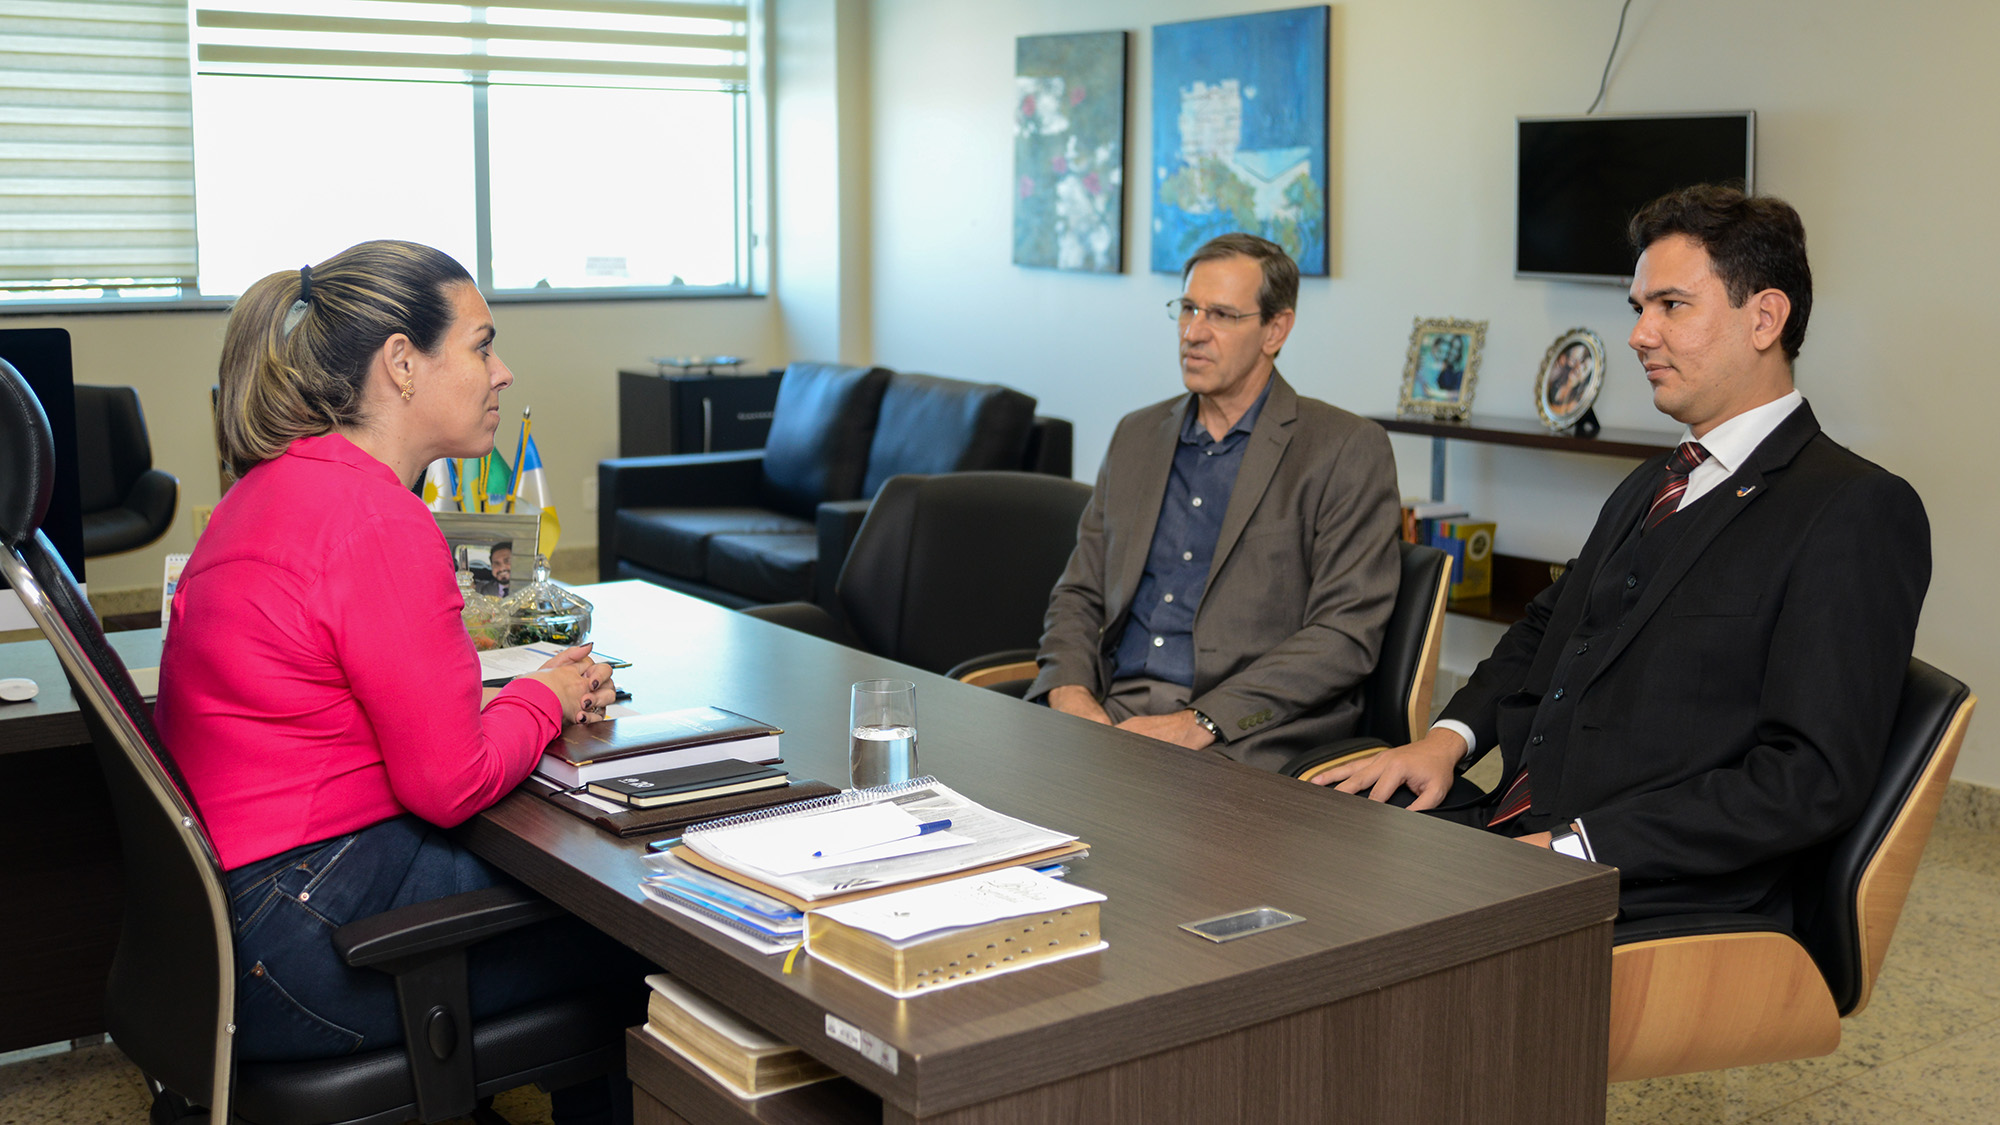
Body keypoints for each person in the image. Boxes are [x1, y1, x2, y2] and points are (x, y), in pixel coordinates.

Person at [1317, 186, 1931, 924]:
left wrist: (1574, 848)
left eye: (1671, 306)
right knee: (1318, 847)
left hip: (1658, 888)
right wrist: (1447, 740)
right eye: (1639, 308)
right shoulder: (1655, 481)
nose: (1640, 334)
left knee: (1354, 940)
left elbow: (1809, 778)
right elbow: (1547, 627)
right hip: (1524, 831)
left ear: (1765, 318)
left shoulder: (1853, 508)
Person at [155, 241, 641, 1121]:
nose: (503, 371)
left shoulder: (266, 491)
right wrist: (546, 696)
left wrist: (499, 703)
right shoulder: (375, 518)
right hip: (303, 932)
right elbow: (449, 783)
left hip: (218, 928)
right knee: (628, 927)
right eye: (482, 345)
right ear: (402, 363)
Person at [1029, 232, 1401, 774]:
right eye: (1187, 308)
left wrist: (1198, 721)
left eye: (1221, 315)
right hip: (1112, 714)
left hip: (1243, 734)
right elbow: (1079, 593)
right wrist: (1070, 695)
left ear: (1276, 330)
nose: (1193, 332)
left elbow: (1343, 637)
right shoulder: (1136, 435)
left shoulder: (1344, 449)